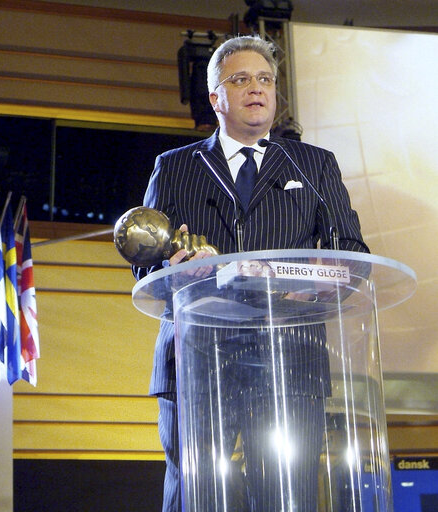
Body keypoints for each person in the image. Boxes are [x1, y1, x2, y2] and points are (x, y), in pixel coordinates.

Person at [133, 36, 368, 511]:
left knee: (286, 493)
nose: (255, 89)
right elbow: (146, 264)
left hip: (290, 356)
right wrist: (170, 267)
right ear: (216, 98)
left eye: (265, 80)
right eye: (240, 79)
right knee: (195, 492)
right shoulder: (175, 167)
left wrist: (318, 276)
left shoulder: (314, 165)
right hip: (197, 355)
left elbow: (351, 251)